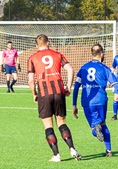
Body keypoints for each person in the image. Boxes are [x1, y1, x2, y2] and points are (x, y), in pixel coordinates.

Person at [27, 34, 81, 162]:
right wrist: (68, 87)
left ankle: (57, 155)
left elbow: (30, 80)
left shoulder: (32, 58)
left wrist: (34, 94)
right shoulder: (57, 54)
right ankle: (72, 149)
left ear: (36, 45)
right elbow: (70, 69)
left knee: (48, 126)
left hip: (44, 94)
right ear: (48, 43)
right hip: (59, 92)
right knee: (61, 122)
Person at [72, 44, 118, 157]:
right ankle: (109, 151)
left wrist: (74, 104)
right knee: (103, 124)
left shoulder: (83, 68)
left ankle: (95, 130)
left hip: (88, 102)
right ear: (101, 54)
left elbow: (77, 86)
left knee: (95, 127)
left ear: (92, 53)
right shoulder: (105, 68)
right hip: (102, 100)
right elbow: (116, 84)